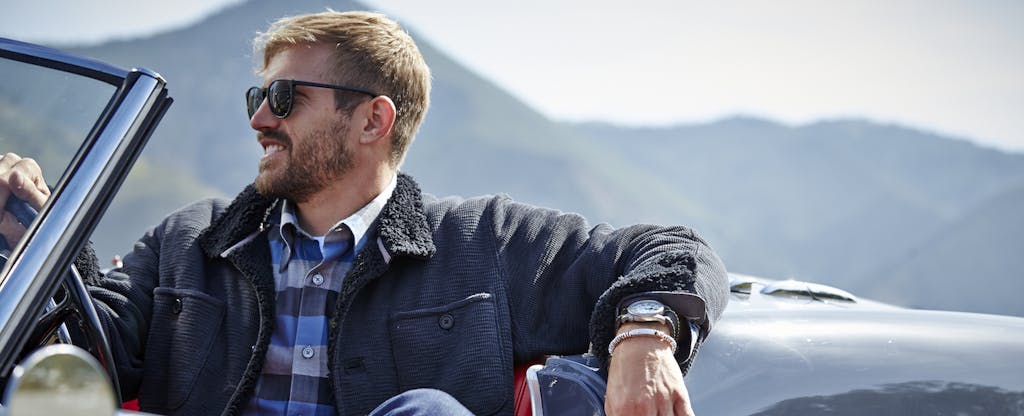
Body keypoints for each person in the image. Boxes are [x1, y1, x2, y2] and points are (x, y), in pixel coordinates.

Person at [0, 10, 728, 416]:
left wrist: (646, 333)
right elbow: (79, 354)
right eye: (255, 100)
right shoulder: (188, 241)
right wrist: (32, 236)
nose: (259, 121)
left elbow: (673, 249)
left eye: (283, 99)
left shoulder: (487, 242)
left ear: (371, 121)